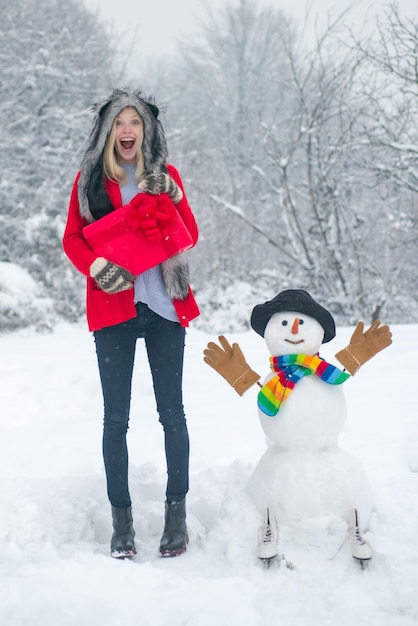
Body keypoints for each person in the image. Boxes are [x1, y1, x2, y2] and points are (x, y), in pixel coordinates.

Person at [62, 88, 199, 559]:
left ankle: (175, 519)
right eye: (120, 122)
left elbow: (190, 233)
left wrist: (176, 196)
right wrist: (99, 267)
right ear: (107, 131)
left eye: (135, 122)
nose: (127, 130)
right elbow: (73, 240)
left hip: (163, 309)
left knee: (172, 414)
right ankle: (122, 525)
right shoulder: (89, 182)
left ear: (146, 130)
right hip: (112, 311)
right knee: (115, 419)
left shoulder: (165, 178)